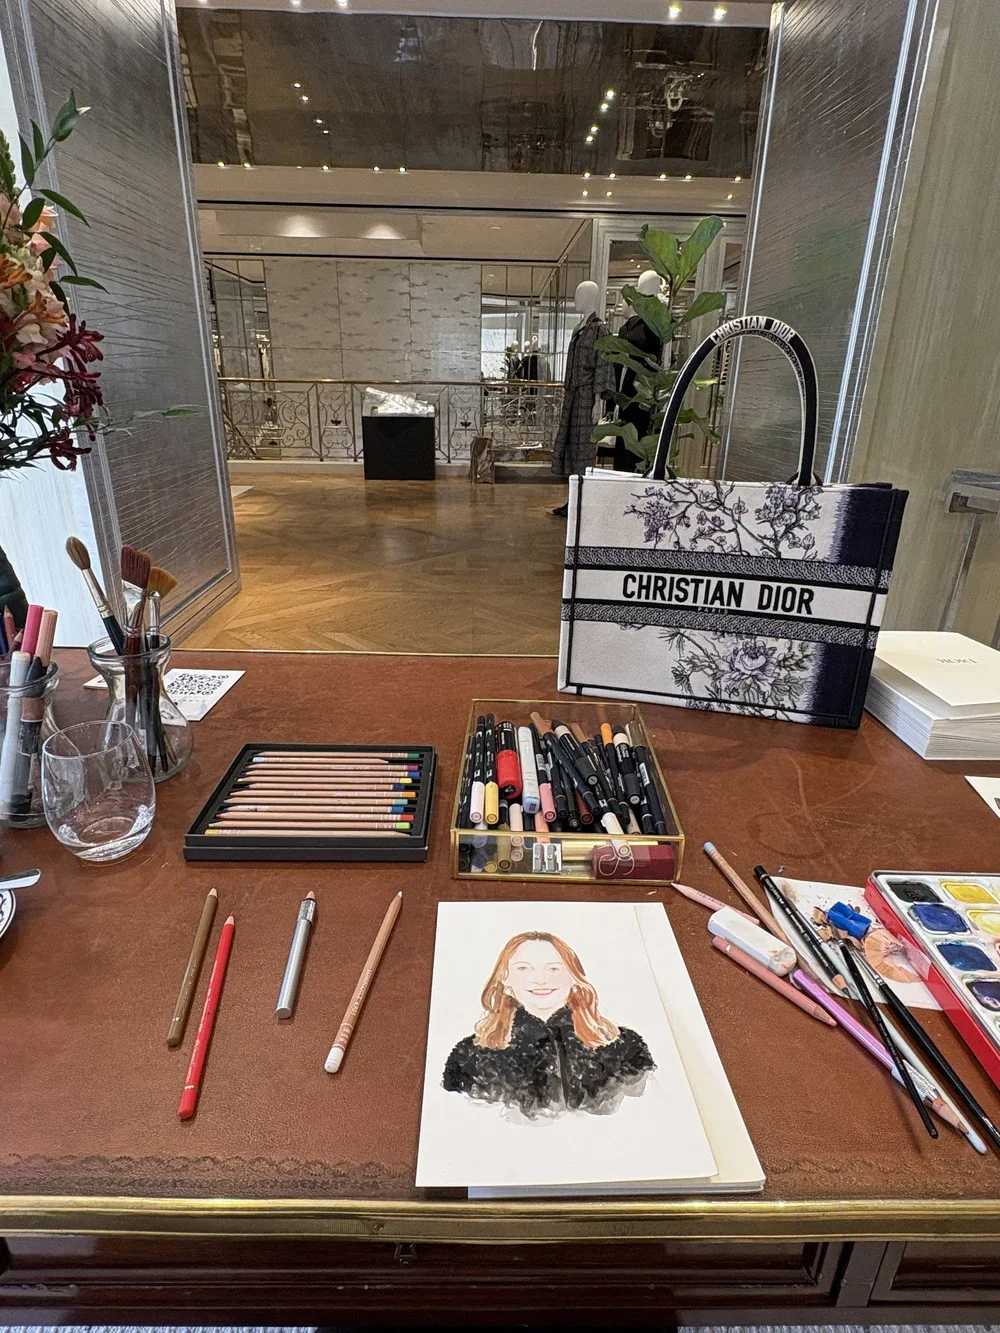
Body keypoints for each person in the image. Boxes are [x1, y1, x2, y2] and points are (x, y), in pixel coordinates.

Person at [443, 931, 655, 1119]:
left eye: (553, 969)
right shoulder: (469, 1058)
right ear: (504, 979)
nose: (540, 980)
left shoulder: (625, 1048)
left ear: (574, 977)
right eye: (524, 968)